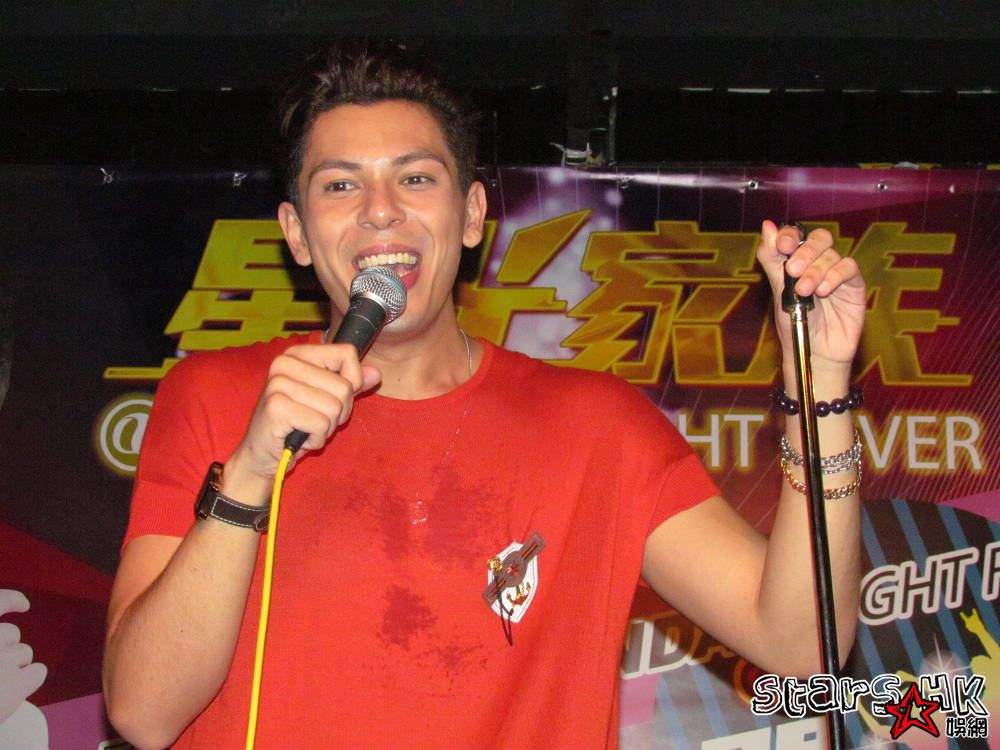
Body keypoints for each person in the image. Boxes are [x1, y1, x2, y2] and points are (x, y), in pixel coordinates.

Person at [102, 43, 867, 749]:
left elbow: (801, 644)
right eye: (340, 185)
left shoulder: (596, 427)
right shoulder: (218, 396)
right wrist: (246, 474)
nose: (380, 210)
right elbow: (142, 711)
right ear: (296, 233)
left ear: (471, 215)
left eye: (415, 178)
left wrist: (822, 387)